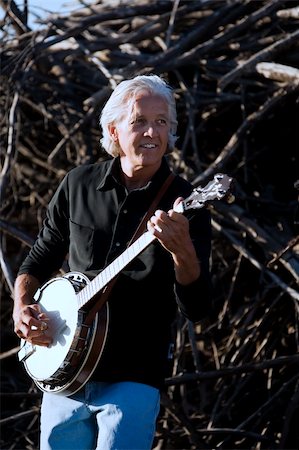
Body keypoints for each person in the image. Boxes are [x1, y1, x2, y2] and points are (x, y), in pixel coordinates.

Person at [12, 74, 212, 450]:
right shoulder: (78, 184)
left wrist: (182, 251)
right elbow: (38, 259)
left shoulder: (185, 202)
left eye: (161, 122)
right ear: (114, 130)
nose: (152, 132)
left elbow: (198, 307)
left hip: (134, 373)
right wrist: (21, 306)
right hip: (63, 370)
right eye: (139, 121)